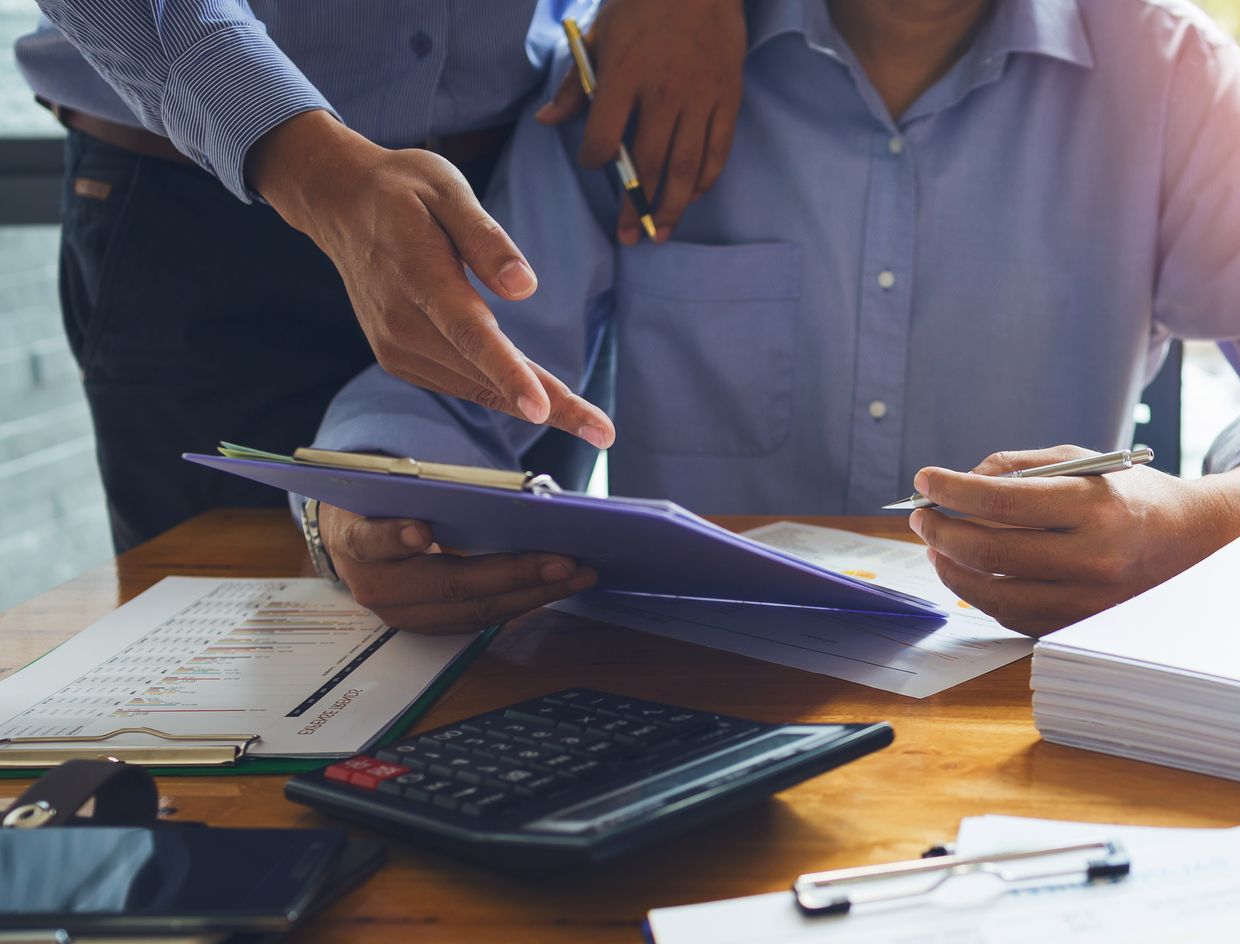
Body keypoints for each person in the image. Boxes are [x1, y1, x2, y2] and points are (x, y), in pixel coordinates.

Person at [307, 0, 1240, 638]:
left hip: (1032, 718)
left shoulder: (1166, 72)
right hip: (688, 712)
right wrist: (366, 508)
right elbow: (446, 392)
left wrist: (1194, 524)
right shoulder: (639, 68)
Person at [14, 0, 745, 550]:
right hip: (203, 194)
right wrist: (304, 162)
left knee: (515, 661)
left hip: (516, 192)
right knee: (234, 672)